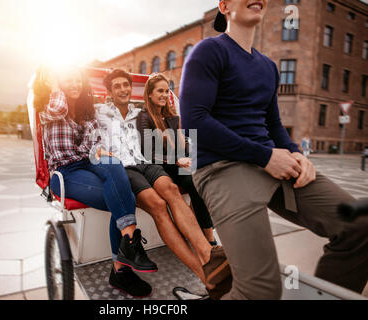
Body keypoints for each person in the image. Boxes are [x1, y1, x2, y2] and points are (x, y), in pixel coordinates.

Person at [180, 0, 368, 300]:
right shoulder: (209, 51)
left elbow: (274, 125)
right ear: (225, 5)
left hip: (272, 161)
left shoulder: (267, 66)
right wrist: (265, 156)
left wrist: (296, 154)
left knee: (360, 226)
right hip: (222, 166)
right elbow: (194, 121)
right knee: (260, 291)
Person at [95, 69, 231, 298]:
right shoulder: (99, 112)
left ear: (131, 88)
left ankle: (208, 253)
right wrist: (99, 151)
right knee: (158, 204)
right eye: (116, 86)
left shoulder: (137, 113)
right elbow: (85, 132)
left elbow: (174, 137)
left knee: (172, 190)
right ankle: (205, 274)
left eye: (125, 85)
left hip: (145, 163)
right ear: (109, 92)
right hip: (124, 167)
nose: (122, 89)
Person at [33, 66, 157, 298]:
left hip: (89, 163)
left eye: (78, 80)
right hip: (65, 172)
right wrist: (56, 86)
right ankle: (125, 261)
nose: (74, 84)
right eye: (68, 80)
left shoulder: (86, 110)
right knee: (121, 199)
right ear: (58, 83)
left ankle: (125, 253)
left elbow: (96, 144)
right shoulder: (48, 106)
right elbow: (59, 108)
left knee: (117, 171)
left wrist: (106, 154)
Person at [136, 73, 216, 245]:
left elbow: (183, 145)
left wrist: (190, 157)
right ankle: (207, 237)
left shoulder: (172, 116)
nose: (164, 95)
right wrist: (177, 160)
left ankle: (203, 231)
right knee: (193, 182)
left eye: (167, 91)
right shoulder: (144, 117)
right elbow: (147, 152)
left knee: (203, 179)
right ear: (149, 93)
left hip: (176, 163)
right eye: (160, 91)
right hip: (159, 166)